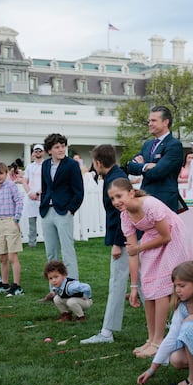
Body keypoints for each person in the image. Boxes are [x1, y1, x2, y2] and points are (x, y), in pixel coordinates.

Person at [109, 178, 193, 358]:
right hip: (151, 240)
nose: (116, 202)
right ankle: (150, 339)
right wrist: (133, 287)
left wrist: (139, 248)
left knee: (161, 288)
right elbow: (132, 252)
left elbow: (166, 236)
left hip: (173, 237)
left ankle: (159, 340)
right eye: (112, 199)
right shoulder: (125, 216)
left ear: (131, 193)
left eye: (119, 196)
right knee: (147, 286)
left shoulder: (150, 205)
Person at [82, 144, 129, 345]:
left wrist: (118, 243)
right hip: (130, 239)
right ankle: (167, 323)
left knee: (117, 283)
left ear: (99, 163)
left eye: (94, 163)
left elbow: (123, 215)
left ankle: (107, 332)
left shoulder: (114, 182)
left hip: (125, 239)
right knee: (144, 283)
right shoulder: (115, 176)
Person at [39, 133, 84, 285]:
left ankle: (72, 286)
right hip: (47, 212)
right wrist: (43, 204)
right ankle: (55, 289)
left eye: (63, 146)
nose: (61, 149)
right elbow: (45, 188)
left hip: (64, 212)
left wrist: (71, 209)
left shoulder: (71, 165)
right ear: (49, 150)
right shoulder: (45, 165)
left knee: (67, 251)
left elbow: (79, 191)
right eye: (57, 147)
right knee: (51, 253)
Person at [125, 106, 183, 212]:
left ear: (165, 122)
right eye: (149, 121)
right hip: (144, 198)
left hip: (163, 201)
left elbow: (158, 172)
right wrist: (146, 166)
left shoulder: (174, 145)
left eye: (153, 120)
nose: (150, 124)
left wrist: (141, 166)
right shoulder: (147, 144)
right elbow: (130, 167)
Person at [0, 162, 24, 296]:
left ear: (6, 174)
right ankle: (4, 283)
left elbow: (19, 202)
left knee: (12, 256)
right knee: (2, 256)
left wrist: (16, 219)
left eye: (1, 173)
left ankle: (17, 285)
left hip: (10, 221)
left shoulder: (11, 185)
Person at [21, 144, 45, 248]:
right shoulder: (30, 166)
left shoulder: (46, 165)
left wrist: (38, 193)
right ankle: (32, 243)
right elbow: (24, 181)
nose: (38, 153)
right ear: (33, 153)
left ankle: (48, 241)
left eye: (40, 151)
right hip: (31, 197)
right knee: (31, 222)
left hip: (43, 196)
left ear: (43, 152)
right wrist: (29, 193)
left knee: (46, 220)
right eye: (36, 151)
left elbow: (47, 182)